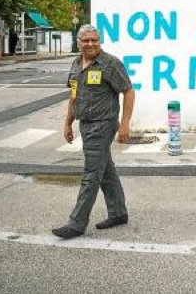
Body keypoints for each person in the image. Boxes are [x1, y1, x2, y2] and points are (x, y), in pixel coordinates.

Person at [52, 24, 135, 239]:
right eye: (86, 40)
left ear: (99, 41)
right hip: (85, 124)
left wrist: (125, 123)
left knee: (91, 175)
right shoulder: (76, 64)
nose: (90, 44)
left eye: (94, 40)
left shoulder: (109, 63)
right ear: (79, 42)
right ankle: (118, 213)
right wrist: (67, 123)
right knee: (105, 171)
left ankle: (76, 223)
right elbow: (74, 95)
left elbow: (128, 91)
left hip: (103, 124)